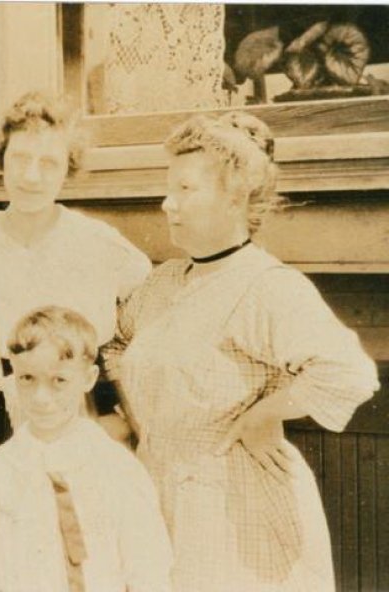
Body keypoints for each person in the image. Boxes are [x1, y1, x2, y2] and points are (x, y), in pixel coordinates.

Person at [102, 111, 380, 591]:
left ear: (236, 194)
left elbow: (349, 373)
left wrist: (265, 414)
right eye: (169, 189)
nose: (168, 204)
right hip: (158, 491)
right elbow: (118, 342)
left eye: (186, 190)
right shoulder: (164, 281)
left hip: (231, 511)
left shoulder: (265, 286)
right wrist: (131, 415)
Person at [0, 91, 151, 436]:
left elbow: (145, 330)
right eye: (20, 159)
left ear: (68, 168)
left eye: (49, 163)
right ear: (1, 161)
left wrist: (122, 418)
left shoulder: (99, 245)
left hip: (85, 420)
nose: (32, 177)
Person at [0, 306, 172, 592]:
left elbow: (149, 570)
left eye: (59, 381)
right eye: (27, 378)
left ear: (88, 379)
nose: (41, 398)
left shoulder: (117, 469)